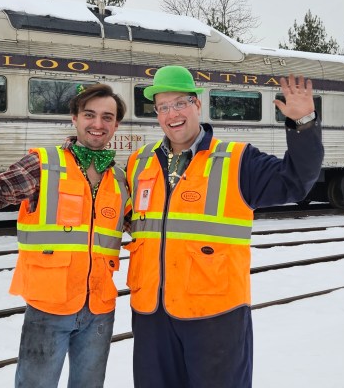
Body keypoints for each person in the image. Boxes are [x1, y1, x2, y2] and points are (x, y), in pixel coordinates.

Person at [125, 65, 324, 388]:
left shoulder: (237, 160)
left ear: (197, 105)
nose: (171, 114)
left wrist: (303, 124)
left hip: (215, 315)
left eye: (180, 104)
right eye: (163, 107)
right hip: (152, 315)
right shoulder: (139, 162)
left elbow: (296, 182)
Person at [0, 84, 131, 388]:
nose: (98, 124)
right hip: (49, 307)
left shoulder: (120, 178)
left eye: (107, 117)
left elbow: (141, 226)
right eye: (89, 115)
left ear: (116, 125)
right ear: (74, 118)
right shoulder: (44, 165)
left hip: (100, 309)